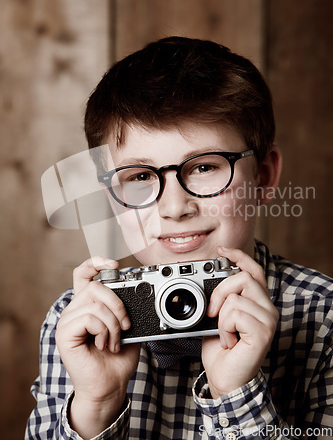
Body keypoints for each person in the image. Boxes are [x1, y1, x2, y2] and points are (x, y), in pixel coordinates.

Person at [26, 37, 333, 439]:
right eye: (138, 177)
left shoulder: (324, 317)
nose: (174, 207)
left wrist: (237, 394)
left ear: (263, 177)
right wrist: (96, 405)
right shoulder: (78, 323)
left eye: (205, 167)